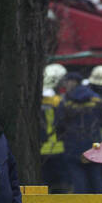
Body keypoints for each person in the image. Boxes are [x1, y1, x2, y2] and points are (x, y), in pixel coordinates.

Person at [56, 71, 102, 193]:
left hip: (72, 147)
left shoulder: (66, 102)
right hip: (94, 146)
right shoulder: (96, 99)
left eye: (66, 82)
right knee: (97, 179)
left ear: (73, 82)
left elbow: (59, 124)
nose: (65, 85)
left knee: (78, 182)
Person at [40, 63, 68, 193]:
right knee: (60, 186)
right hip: (58, 147)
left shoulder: (38, 99)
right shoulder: (58, 101)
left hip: (41, 148)